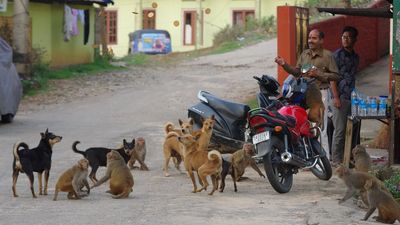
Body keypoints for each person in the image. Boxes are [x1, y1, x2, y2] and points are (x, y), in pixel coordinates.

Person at [275, 29, 340, 156]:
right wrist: (284, 64)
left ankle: (323, 157)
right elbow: (297, 72)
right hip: (303, 95)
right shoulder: (304, 54)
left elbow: (336, 76)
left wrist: (319, 74)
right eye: (309, 38)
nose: (310, 40)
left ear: (321, 40)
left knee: (321, 127)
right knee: (304, 125)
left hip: (320, 95)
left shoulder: (328, 56)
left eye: (314, 38)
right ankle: (308, 157)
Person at [330, 26, 359, 166]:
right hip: (339, 98)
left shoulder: (355, 57)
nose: (345, 40)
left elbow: (352, 77)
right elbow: (332, 78)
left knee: (353, 128)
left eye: (348, 37)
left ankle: (348, 158)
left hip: (351, 97)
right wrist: (336, 98)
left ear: (354, 39)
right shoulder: (336, 56)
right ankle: (336, 159)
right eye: (343, 37)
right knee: (340, 130)